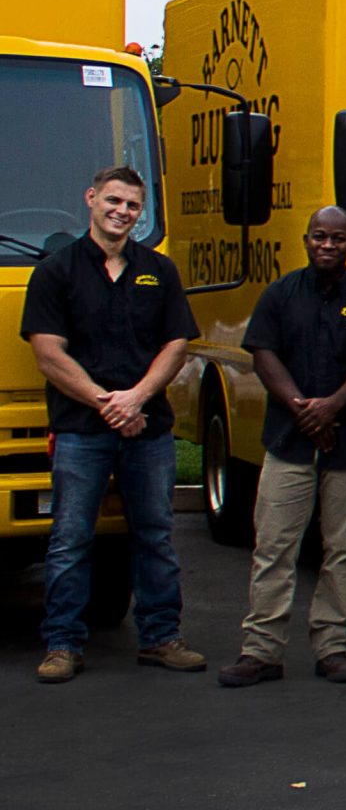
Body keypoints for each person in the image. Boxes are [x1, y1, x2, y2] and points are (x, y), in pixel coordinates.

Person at [24, 167, 202, 683]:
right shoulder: (56, 272)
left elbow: (176, 344)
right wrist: (111, 404)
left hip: (149, 431)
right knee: (70, 539)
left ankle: (162, 637)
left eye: (132, 206)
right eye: (114, 201)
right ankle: (62, 644)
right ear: (91, 199)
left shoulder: (158, 272)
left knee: (155, 538)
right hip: (82, 430)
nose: (122, 212)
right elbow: (48, 353)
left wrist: (140, 397)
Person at [217, 207, 346, 687]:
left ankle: (332, 645)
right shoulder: (279, 295)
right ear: (306, 240)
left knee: (343, 549)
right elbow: (262, 353)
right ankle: (261, 651)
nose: (328, 245)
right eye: (320, 236)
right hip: (288, 441)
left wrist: (332, 407)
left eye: (338, 239)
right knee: (274, 545)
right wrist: (305, 410)